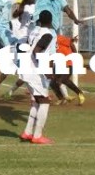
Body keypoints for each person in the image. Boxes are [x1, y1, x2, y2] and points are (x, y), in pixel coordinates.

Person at [19, 10, 57, 145]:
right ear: (51, 21)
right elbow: (36, 51)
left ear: (40, 20)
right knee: (45, 101)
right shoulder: (48, 34)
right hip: (34, 70)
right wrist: (45, 69)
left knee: (36, 101)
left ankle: (27, 133)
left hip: (26, 68)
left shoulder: (35, 30)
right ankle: (38, 136)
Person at [51, 34, 85, 105]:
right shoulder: (49, 41)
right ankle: (61, 98)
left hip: (67, 63)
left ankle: (80, 94)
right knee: (53, 83)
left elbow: (70, 42)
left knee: (62, 80)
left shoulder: (59, 38)